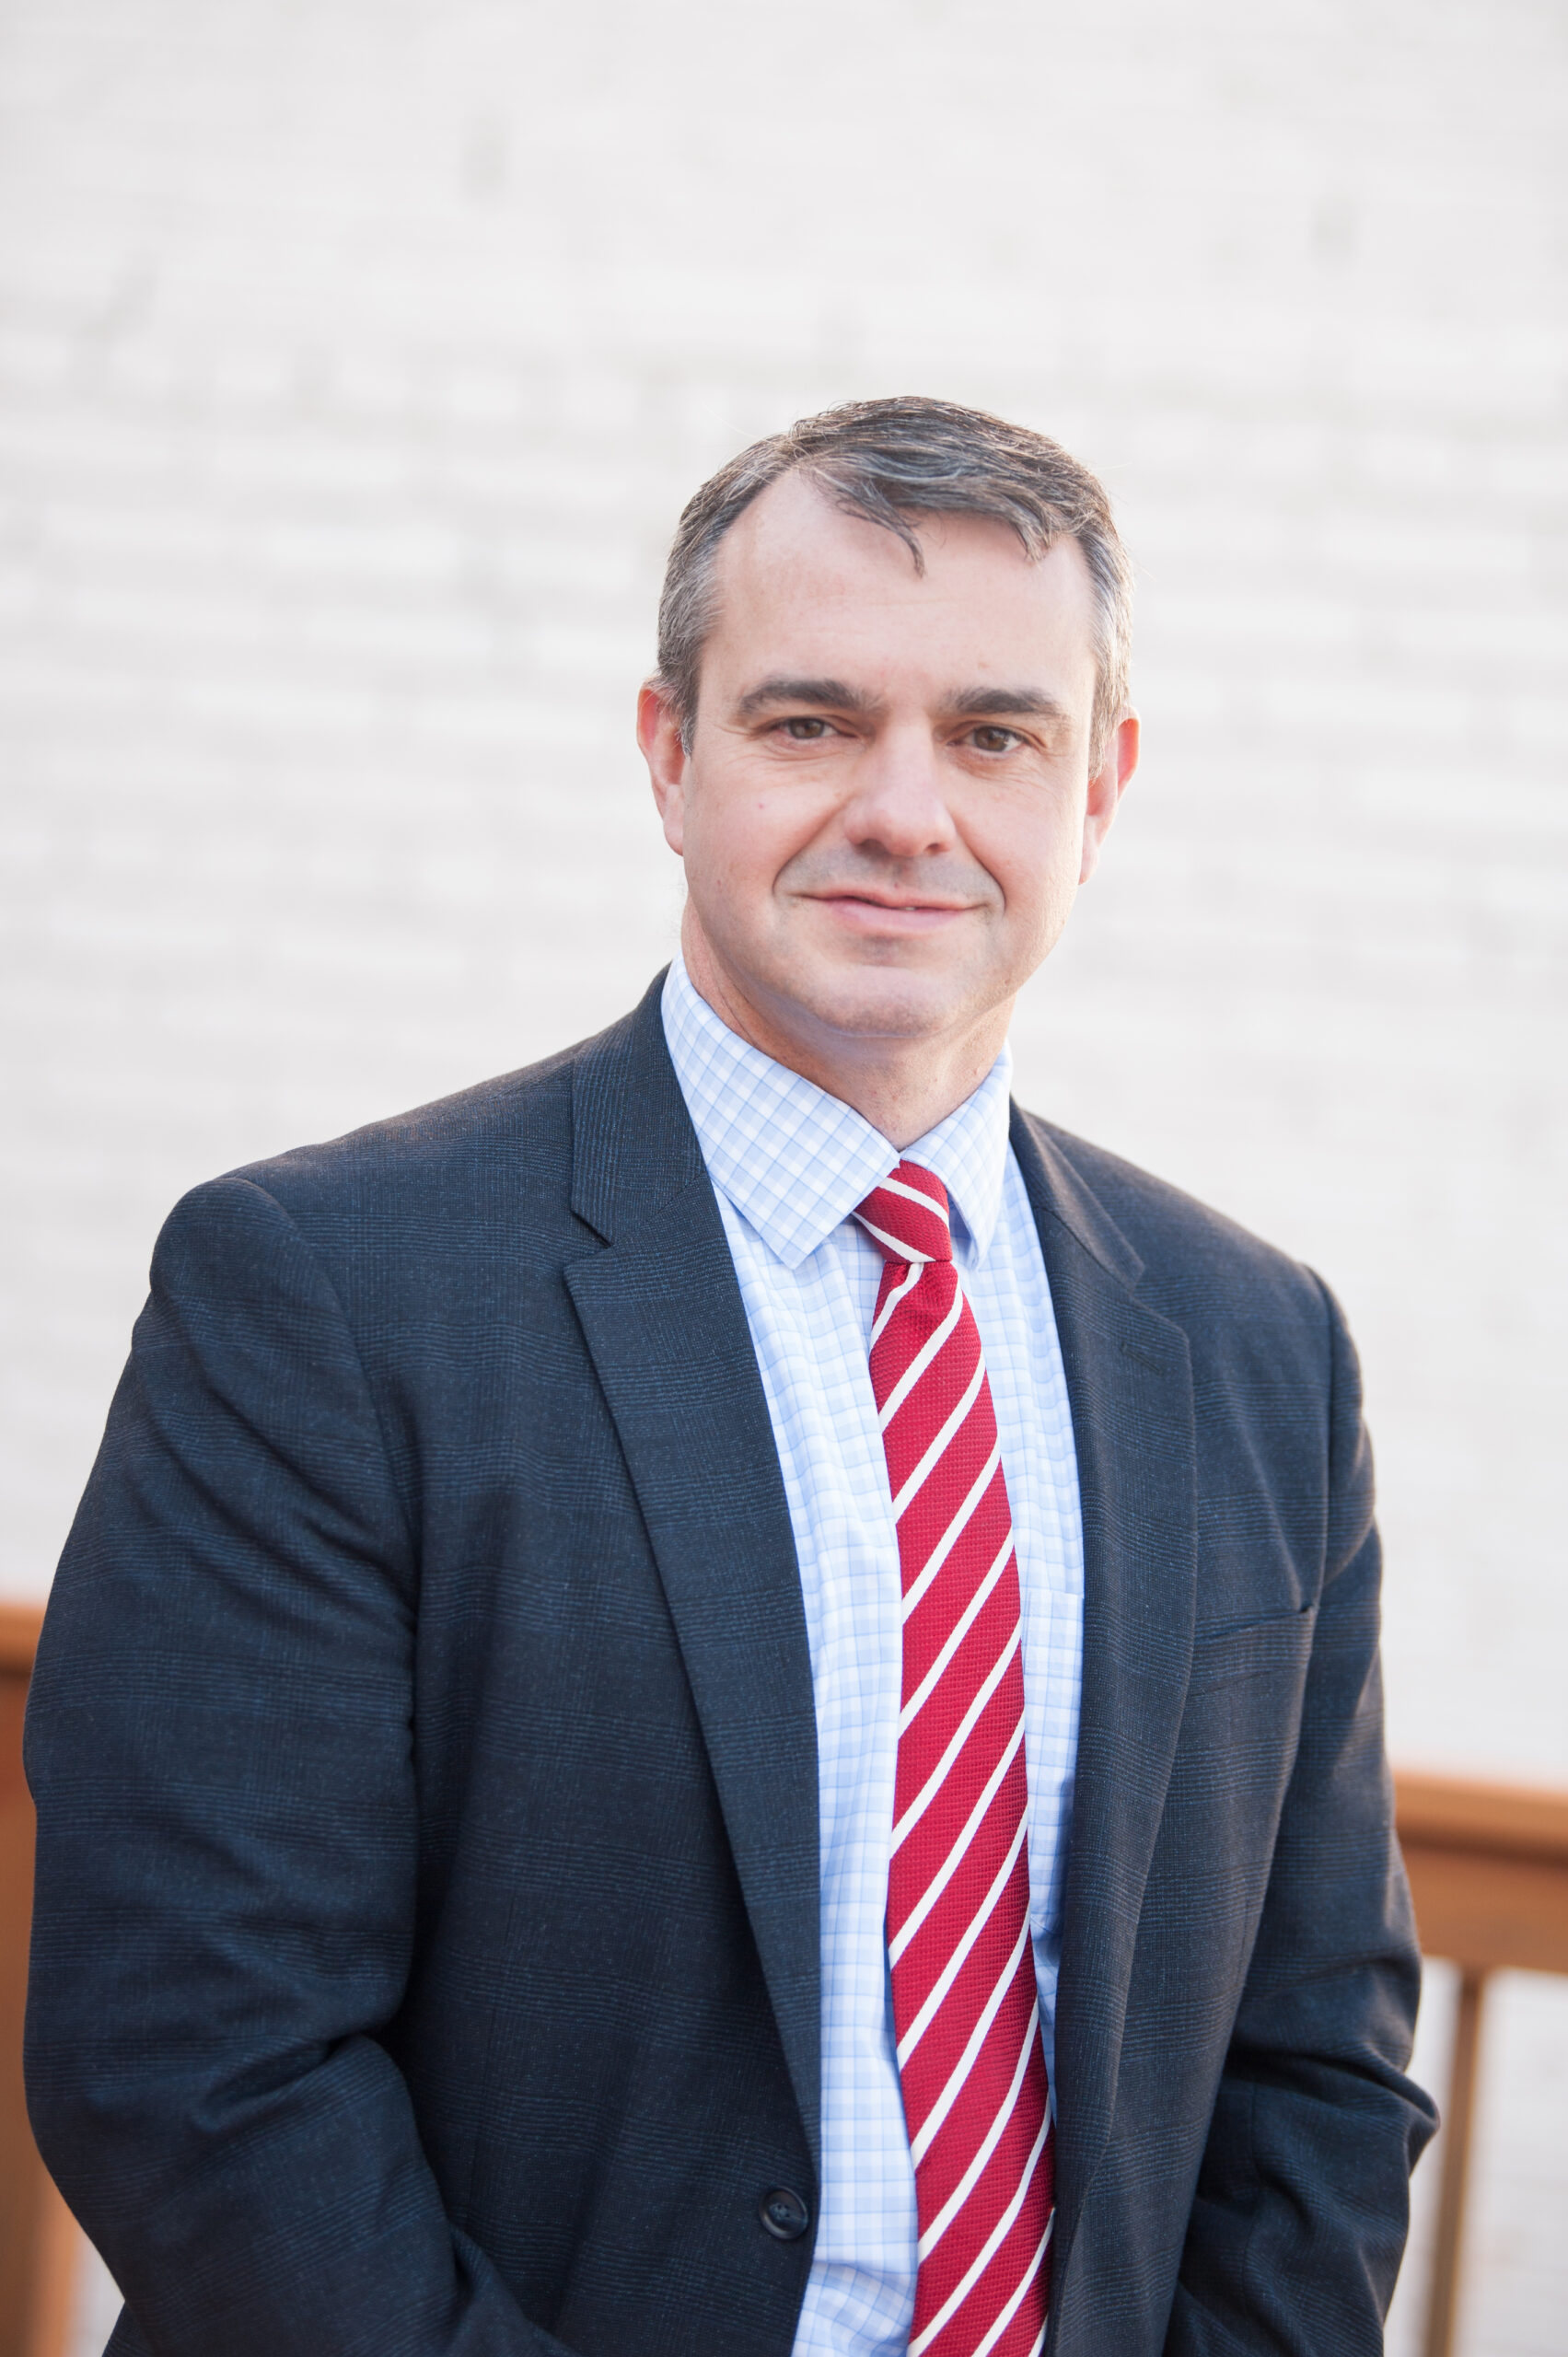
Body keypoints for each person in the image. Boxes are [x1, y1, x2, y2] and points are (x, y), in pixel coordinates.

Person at [25, 397, 1435, 2357]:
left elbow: (1322, 2070)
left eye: (997, 733)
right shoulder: (324, 1297)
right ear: (668, 754)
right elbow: (197, 2057)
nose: (906, 809)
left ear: (1100, 789)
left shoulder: (1255, 1347)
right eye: (811, 718)